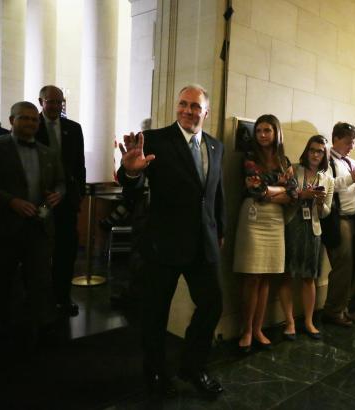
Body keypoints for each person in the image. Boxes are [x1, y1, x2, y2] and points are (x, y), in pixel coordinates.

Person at [117, 84, 225, 399]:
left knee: (212, 304)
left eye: (195, 106)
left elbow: (218, 194)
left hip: (203, 242)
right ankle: (154, 372)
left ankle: (193, 366)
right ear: (176, 107)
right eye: (183, 104)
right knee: (155, 313)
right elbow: (132, 190)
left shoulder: (216, 146)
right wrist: (131, 173)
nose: (188, 111)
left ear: (206, 112)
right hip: (162, 243)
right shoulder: (155, 141)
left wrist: (221, 230)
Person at [0, 101, 64, 346]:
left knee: (40, 280)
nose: (30, 123)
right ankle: (5, 329)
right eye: (23, 118)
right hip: (5, 227)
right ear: (11, 120)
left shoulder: (48, 152)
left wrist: (59, 193)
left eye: (34, 119)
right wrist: (11, 201)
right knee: (4, 279)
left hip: (38, 227)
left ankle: (43, 328)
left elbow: (60, 181)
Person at [233, 114, 297, 352]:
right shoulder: (250, 157)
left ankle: (258, 329)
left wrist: (275, 191)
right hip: (253, 217)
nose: (262, 135)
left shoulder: (284, 160)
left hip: (275, 221)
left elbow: (294, 193)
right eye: (258, 130)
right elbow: (255, 189)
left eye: (267, 130)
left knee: (268, 275)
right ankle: (246, 330)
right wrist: (280, 190)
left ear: (276, 132)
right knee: (252, 276)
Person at [35, 85, 86, 317]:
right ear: (41, 101)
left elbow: (79, 165)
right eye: (50, 101)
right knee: (38, 253)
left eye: (59, 102)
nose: (55, 106)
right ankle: (40, 301)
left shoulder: (74, 128)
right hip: (38, 201)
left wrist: (79, 196)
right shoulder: (30, 126)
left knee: (66, 252)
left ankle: (62, 298)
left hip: (66, 202)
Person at [279, 135, 334, 340]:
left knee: (309, 277)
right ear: (306, 151)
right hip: (292, 225)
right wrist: (303, 195)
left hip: (313, 229)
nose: (315, 154)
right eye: (312, 150)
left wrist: (319, 203)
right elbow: (286, 198)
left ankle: (309, 321)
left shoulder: (328, 179)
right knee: (287, 274)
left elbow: (327, 212)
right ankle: (290, 322)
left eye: (320, 151)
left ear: (324, 155)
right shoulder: (294, 169)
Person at [322, 122, 355, 326]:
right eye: (348, 142)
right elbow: (326, 186)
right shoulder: (326, 161)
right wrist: (352, 179)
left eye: (353, 142)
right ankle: (333, 310)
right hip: (338, 218)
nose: (351, 146)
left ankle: (342, 307)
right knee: (342, 265)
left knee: (353, 264)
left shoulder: (350, 162)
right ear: (335, 139)